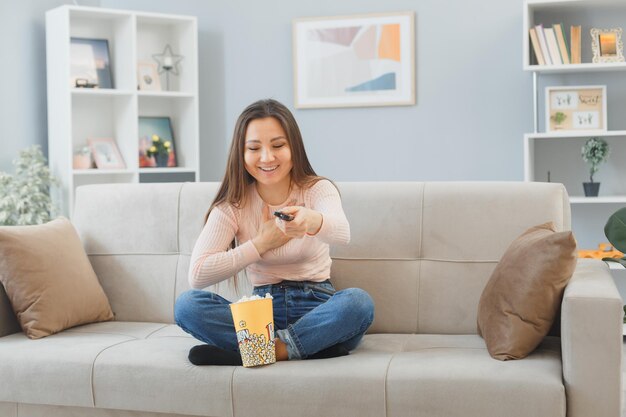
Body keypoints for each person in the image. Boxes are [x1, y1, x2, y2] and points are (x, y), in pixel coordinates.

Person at [174, 98, 374, 366]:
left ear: (294, 147)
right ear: (241, 154)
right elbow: (198, 275)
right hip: (260, 313)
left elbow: (342, 233)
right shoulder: (232, 206)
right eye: (254, 148)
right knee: (187, 305)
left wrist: (311, 221)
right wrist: (260, 243)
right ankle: (303, 348)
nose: (267, 157)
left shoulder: (317, 189)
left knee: (358, 303)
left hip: (317, 307)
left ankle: (261, 351)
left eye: (278, 145)